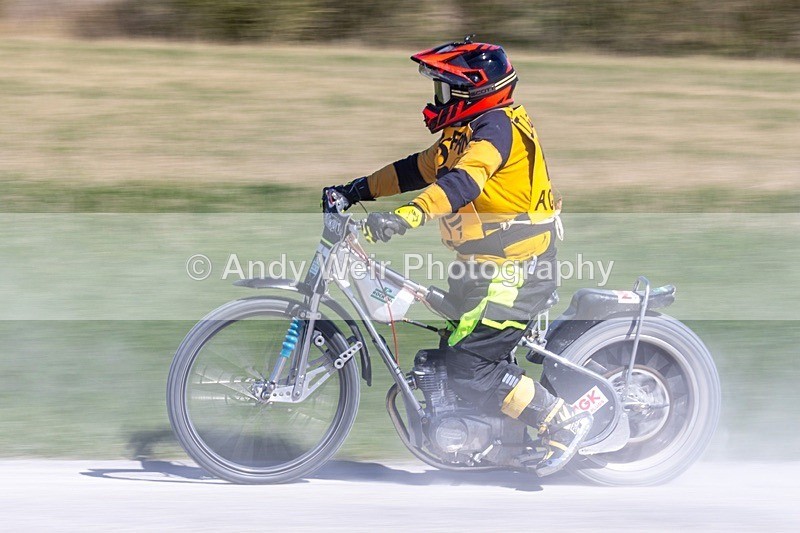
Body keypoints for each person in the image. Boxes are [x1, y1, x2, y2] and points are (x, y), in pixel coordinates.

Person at [323, 37, 591, 476]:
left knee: (470, 368)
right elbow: (414, 169)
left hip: (517, 270)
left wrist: (405, 217)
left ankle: (559, 421)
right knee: (450, 358)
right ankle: (499, 442)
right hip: (480, 268)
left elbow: (464, 183)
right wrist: (354, 190)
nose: (437, 99)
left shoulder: (496, 130)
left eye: (444, 89)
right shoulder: (465, 132)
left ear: (473, 91)